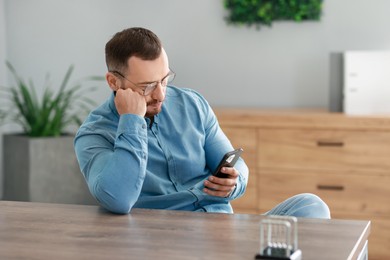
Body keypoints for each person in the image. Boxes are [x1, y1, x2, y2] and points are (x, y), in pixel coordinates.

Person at [74, 27, 330, 219]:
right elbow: (118, 200)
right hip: (163, 240)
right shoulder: (94, 134)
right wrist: (131, 121)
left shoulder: (192, 104)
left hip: (223, 229)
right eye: (147, 86)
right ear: (113, 82)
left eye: (164, 80)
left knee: (312, 206)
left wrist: (233, 182)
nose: (161, 94)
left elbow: (233, 162)